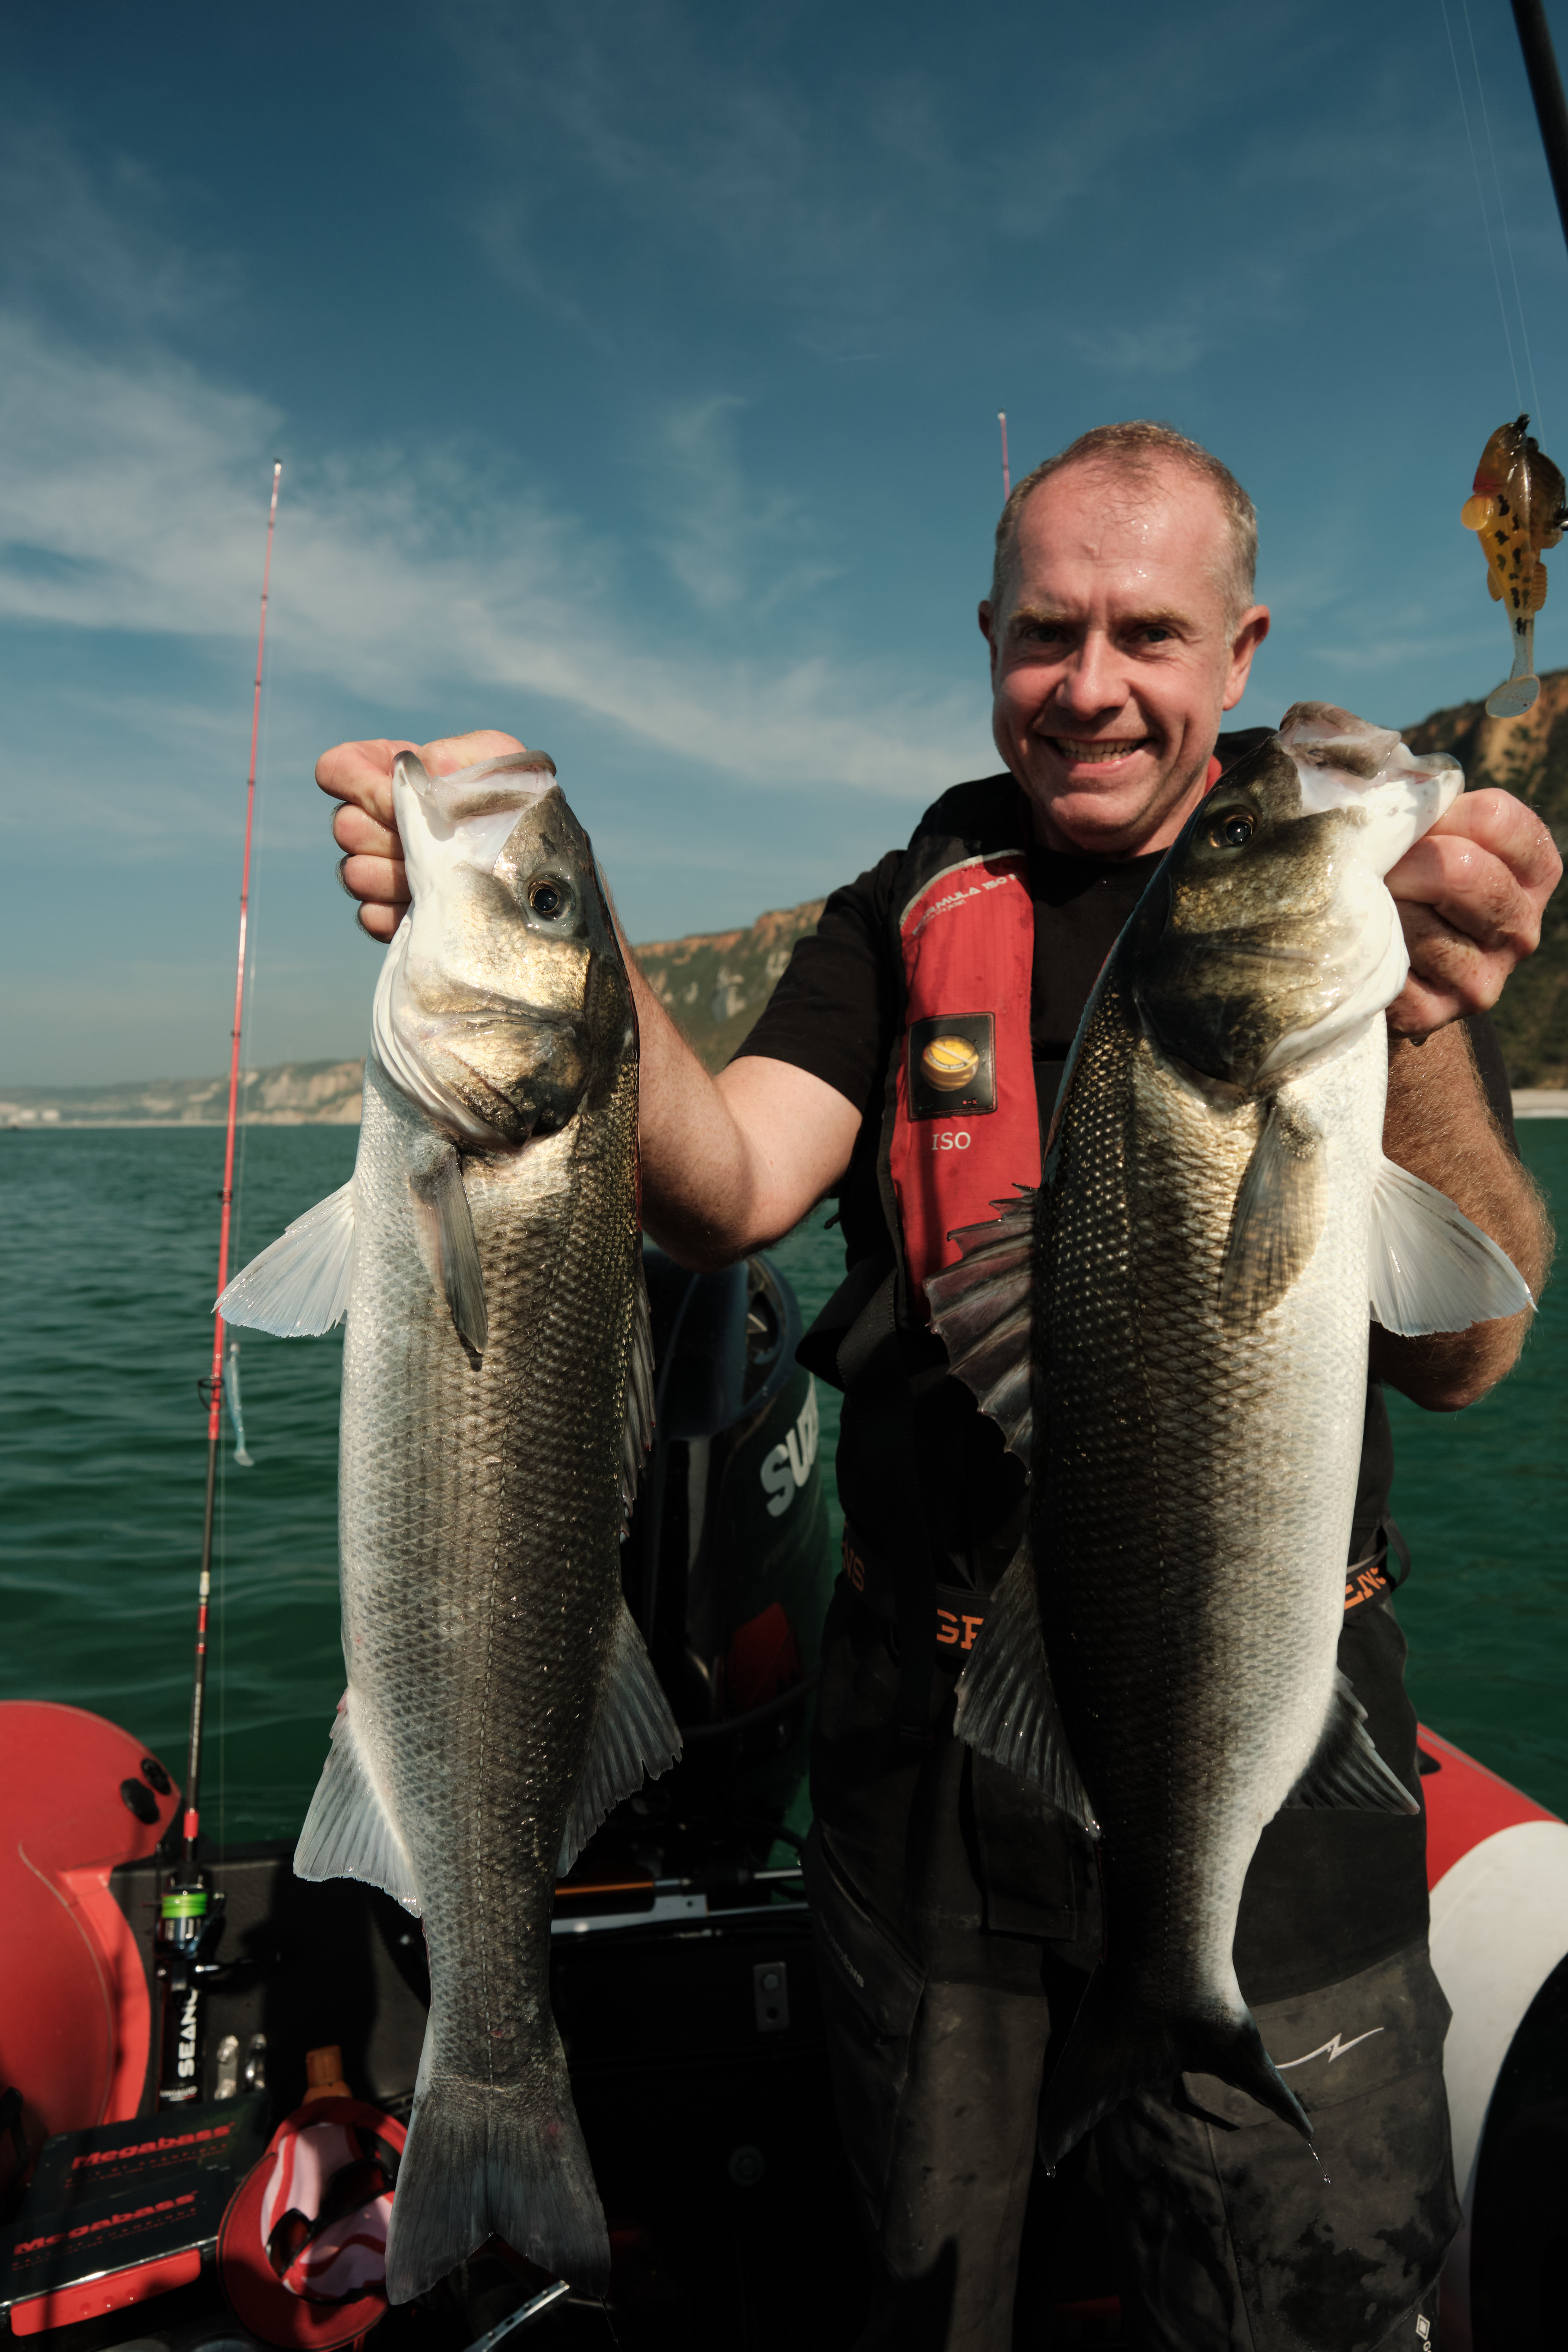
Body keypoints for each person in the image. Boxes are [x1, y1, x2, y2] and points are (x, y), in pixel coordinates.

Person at [318, 423, 1558, 2352]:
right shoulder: (910, 897)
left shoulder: (1330, 892)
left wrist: (1402, 1030)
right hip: (923, 1770)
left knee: (1291, 2296)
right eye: (1043, 633)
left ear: (1238, 651)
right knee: (919, 2288)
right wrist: (540, 922)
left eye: (1145, 633)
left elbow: (1468, 1354)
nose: (1089, 687)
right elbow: (726, 1178)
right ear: (986, 639)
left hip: (1266, 1723)